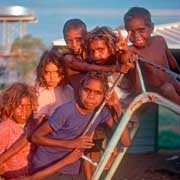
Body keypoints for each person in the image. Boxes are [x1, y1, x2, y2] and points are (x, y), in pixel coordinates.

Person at [31, 71, 131, 180]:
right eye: (87, 90)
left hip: (71, 168)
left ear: (104, 95)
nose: (91, 96)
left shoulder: (101, 112)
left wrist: (116, 105)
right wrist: (71, 144)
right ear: (79, 90)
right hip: (47, 164)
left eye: (97, 93)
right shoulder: (66, 111)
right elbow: (36, 137)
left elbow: (125, 141)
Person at [124, 6, 180, 104]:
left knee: (174, 84)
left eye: (141, 30)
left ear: (151, 28)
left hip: (172, 80)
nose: (136, 36)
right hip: (156, 90)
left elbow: (171, 61)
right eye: (131, 32)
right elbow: (123, 61)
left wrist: (178, 73)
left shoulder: (160, 40)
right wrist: (123, 52)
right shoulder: (131, 50)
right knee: (167, 89)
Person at [63, 19, 132, 97]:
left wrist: (125, 52)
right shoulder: (68, 58)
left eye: (78, 39)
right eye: (69, 41)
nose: (74, 45)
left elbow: (123, 62)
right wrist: (114, 68)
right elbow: (87, 67)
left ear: (86, 36)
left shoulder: (92, 55)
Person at [0, 82, 38, 180]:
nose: (24, 111)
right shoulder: (5, 129)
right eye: (20, 106)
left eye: (28, 106)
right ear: (10, 105)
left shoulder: (33, 124)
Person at [35, 49, 74, 118]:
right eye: (47, 72)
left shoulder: (69, 90)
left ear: (63, 72)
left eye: (56, 72)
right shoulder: (39, 93)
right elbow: (38, 119)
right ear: (41, 73)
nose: (52, 77)